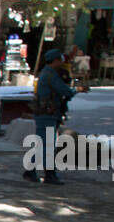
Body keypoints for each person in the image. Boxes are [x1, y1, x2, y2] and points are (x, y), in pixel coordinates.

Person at [30, 48, 83, 184]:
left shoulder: (46, 73)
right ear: (55, 60)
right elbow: (65, 91)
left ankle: (34, 171)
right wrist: (77, 89)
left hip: (44, 113)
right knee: (47, 144)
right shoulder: (51, 76)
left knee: (43, 143)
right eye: (59, 60)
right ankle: (48, 174)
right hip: (48, 113)